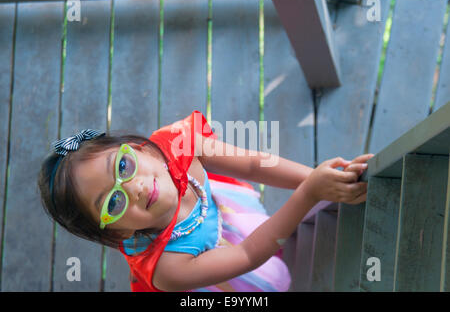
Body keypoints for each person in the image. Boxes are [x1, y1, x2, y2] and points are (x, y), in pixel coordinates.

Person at [38, 110, 373, 292]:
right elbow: (247, 254)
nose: (134, 188)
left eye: (122, 166)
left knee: (265, 230)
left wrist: (326, 178)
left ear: (138, 148)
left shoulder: (179, 144)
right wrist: (311, 191)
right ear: (115, 234)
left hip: (230, 221)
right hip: (228, 275)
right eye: (112, 203)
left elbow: (256, 163)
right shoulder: (166, 269)